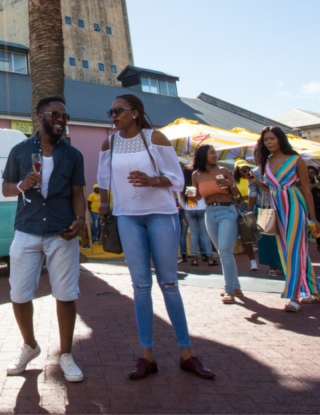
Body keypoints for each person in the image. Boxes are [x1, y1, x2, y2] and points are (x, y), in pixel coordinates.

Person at [97, 94, 214, 379]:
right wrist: (103, 206)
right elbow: (103, 178)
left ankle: (187, 354)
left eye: (119, 110)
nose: (113, 115)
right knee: (140, 287)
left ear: (136, 112)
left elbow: (176, 179)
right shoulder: (108, 143)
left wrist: (151, 180)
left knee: (170, 284)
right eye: (110, 110)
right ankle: (146, 356)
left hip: (161, 214)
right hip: (127, 217)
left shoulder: (155, 138)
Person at [1, 97, 87, 383]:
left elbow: (77, 192)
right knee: (19, 294)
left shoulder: (73, 155)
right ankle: (30, 345)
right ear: (41, 116)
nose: (62, 119)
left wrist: (80, 220)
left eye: (65, 115)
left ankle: (65, 354)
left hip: (61, 232)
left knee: (66, 293)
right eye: (56, 114)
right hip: (27, 228)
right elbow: (5, 189)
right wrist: (21, 184)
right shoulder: (20, 150)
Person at [255, 127, 320, 312]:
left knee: (293, 250)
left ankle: (294, 296)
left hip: (295, 205)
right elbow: (270, 189)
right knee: (289, 250)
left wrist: (313, 218)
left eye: (272, 138)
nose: (268, 142)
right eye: (266, 140)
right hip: (277, 209)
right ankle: (317, 292)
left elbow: (307, 189)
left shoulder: (296, 160)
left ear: (280, 139)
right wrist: (255, 182)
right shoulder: (266, 162)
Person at [192, 145, 243, 304]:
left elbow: (236, 194)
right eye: (211, 153)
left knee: (224, 251)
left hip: (227, 211)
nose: (215, 155)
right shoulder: (196, 175)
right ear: (203, 155)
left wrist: (229, 183)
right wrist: (190, 196)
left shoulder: (222, 170)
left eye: (215, 152)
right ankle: (236, 286)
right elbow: (198, 196)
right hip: (209, 212)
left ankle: (229, 290)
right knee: (224, 252)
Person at [182, 168, 216, 267]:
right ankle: (210, 258)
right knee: (204, 233)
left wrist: (187, 207)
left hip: (189, 209)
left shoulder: (186, 187)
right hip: (202, 208)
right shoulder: (199, 182)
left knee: (194, 233)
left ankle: (195, 258)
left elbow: (184, 200)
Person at [232, 161, 259, 270]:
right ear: (237, 170)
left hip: (255, 207)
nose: (246, 171)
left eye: (247, 168)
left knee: (260, 234)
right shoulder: (233, 181)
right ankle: (253, 262)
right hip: (241, 209)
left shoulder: (253, 178)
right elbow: (232, 197)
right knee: (246, 236)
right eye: (243, 169)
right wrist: (242, 198)